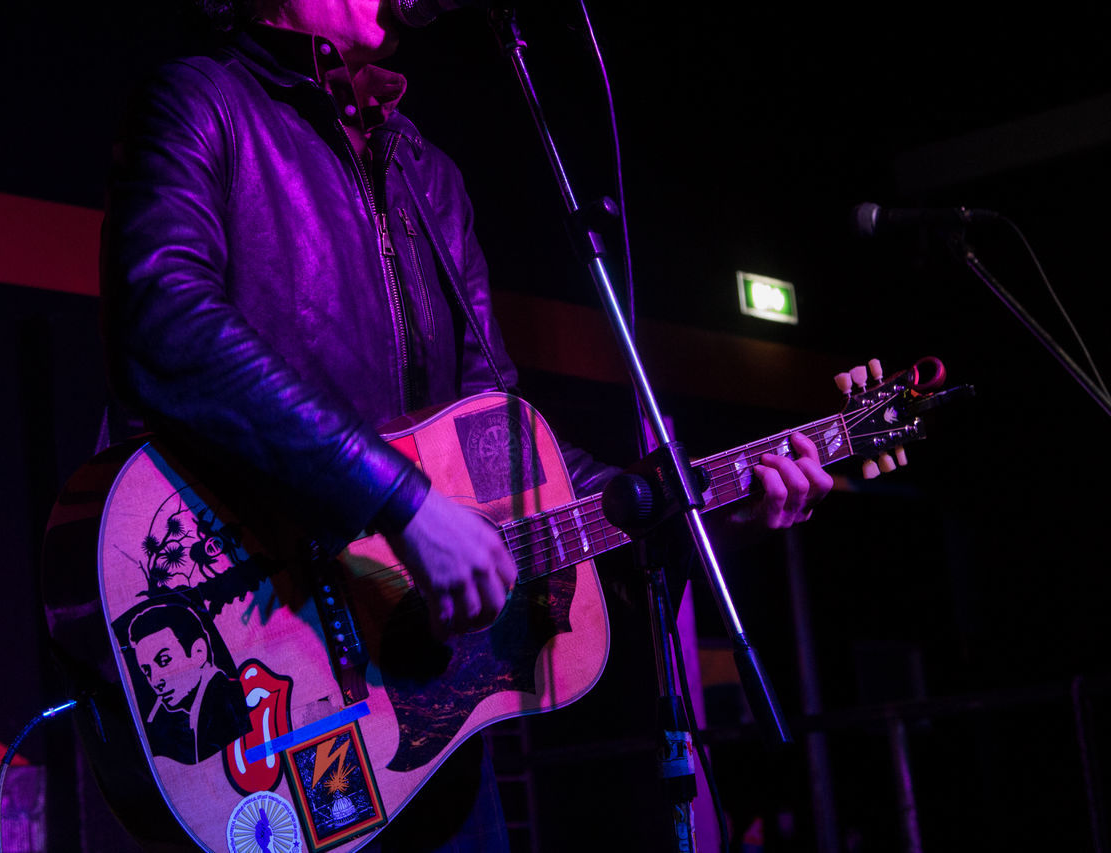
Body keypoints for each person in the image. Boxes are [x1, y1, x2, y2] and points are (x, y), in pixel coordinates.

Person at [100, 0, 833, 848]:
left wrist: (698, 509)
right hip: (280, 669)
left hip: (421, 730)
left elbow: (507, 449)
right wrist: (402, 504)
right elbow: (164, 319)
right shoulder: (203, 101)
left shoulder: (427, 173)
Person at [127, 602, 248, 765]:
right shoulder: (200, 712)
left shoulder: (227, 703)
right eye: (147, 671)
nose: (155, 681)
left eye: (164, 661)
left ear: (199, 652)